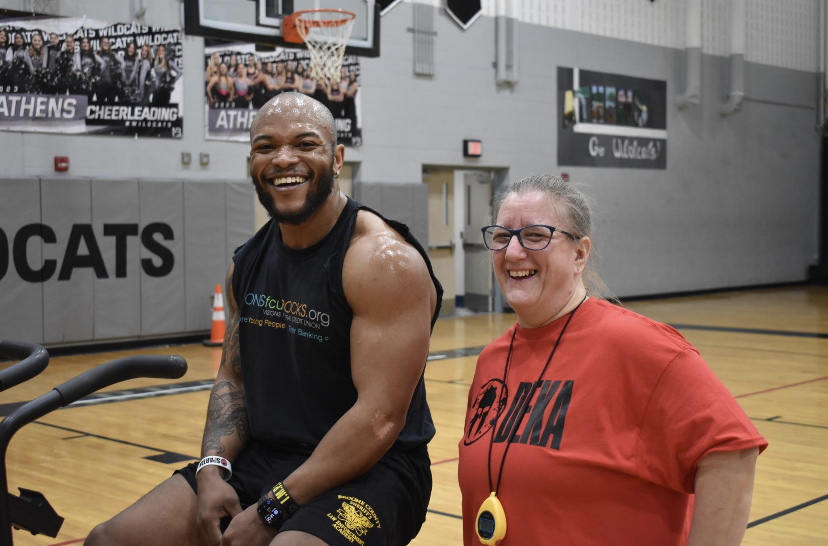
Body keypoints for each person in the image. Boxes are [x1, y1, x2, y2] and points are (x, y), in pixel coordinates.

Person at [85, 91, 442, 546]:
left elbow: (379, 419)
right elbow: (233, 378)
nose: (283, 158)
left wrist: (273, 509)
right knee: (109, 540)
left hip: (376, 470)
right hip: (270, 457)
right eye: (266, 147)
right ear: (252, 162)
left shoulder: (382, 262)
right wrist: (212, 469)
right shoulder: (247, 262)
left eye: (305, 144)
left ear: (336, 159)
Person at [458, 174, 767, 546]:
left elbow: (732, 456)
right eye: (501, 236)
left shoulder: (641, 347)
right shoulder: (492, 360)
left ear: (579, 254)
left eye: (535, 235)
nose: (512, 252)